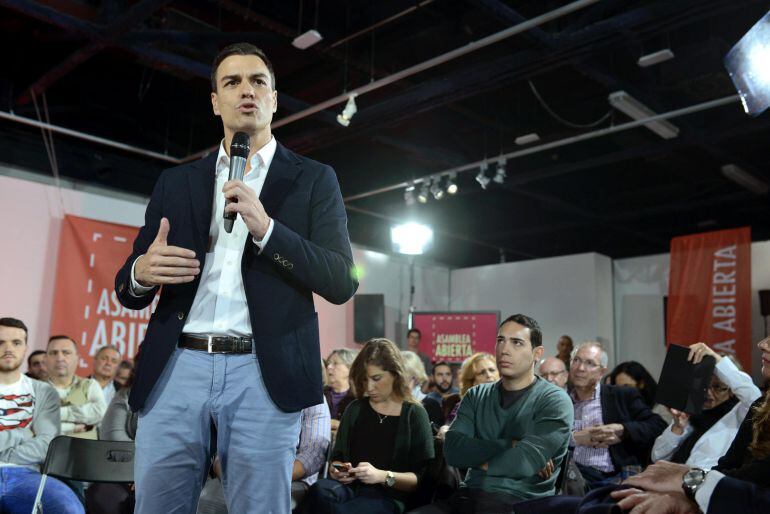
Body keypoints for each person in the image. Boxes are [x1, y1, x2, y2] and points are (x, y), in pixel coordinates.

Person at [113, 41, 358, 514]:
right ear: (214, 101)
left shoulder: (313, 178)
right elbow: (128, 286)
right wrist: (142, 272)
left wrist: (267, 230)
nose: (246, 91)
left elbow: (341, 280)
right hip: (177, 366)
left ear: (273, 97)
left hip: (262, 371)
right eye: (232, 82)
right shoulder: (177, 182)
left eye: (257, 81)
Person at [410, 314, 574, 514]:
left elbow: (523, 463)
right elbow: (453, 450)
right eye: (500, 340)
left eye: (516, 343)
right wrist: (511, 444)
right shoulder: (476, 395)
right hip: (468, 495)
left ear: (537, 353)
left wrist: (476, 453)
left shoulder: (554, 400)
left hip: (521, 501)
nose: (504, 350)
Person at [302, 339, 435, 513]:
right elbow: (338, 457)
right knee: (318, 492)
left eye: (376, 378)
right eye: (364, 380)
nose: (370, 387)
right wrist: (337, 470)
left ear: (395, 374)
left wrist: (382, 476)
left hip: (390, 496)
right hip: (350, 489)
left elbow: (420, 480)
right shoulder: (355, 409)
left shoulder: (414, 414)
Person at [0, 317, 83, 514]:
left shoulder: (44, 391)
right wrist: (24, 434)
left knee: (69, 509)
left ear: (26, 347)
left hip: (27, 475)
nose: (8, 348)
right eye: (1, 342)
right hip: (27, 467)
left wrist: (7, 453)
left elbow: (47, 445)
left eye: (16, 342)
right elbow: (37, 439)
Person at [568, 341, 666, 489]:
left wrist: (623, 429)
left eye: (589, 363)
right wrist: (575, 438)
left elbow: (657, 425)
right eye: (576, 360)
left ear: (602, 372)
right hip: (573, 479)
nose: (580, 368)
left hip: (614, 478)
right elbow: (547, 439)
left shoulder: (622, 395)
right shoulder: (561, 402)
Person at [651, 342, 760, 470]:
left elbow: (753, 396)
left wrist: (716, 358)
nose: (708, 392)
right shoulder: (690, 412)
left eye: (718, 387)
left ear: (731, 390)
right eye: (705, 385)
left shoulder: (741, 413)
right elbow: (657, 457)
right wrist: (677, 428)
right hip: (671, 481)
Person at [46, 335, 107, 439]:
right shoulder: (34, 388)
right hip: (45, 453)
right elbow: (32, 425)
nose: (60, 358)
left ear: (77, 358)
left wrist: (57, 413)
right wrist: (73, 427)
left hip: (85, 453)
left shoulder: (90, 385)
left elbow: (101, 412)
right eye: (54, 353)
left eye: (66, 353)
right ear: (46, 358)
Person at [324, 348, 358, 437]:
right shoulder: (319, 394)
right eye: (328, 363)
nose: (329, 367)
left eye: (335, 363)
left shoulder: (358, 398)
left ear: (350, 368)